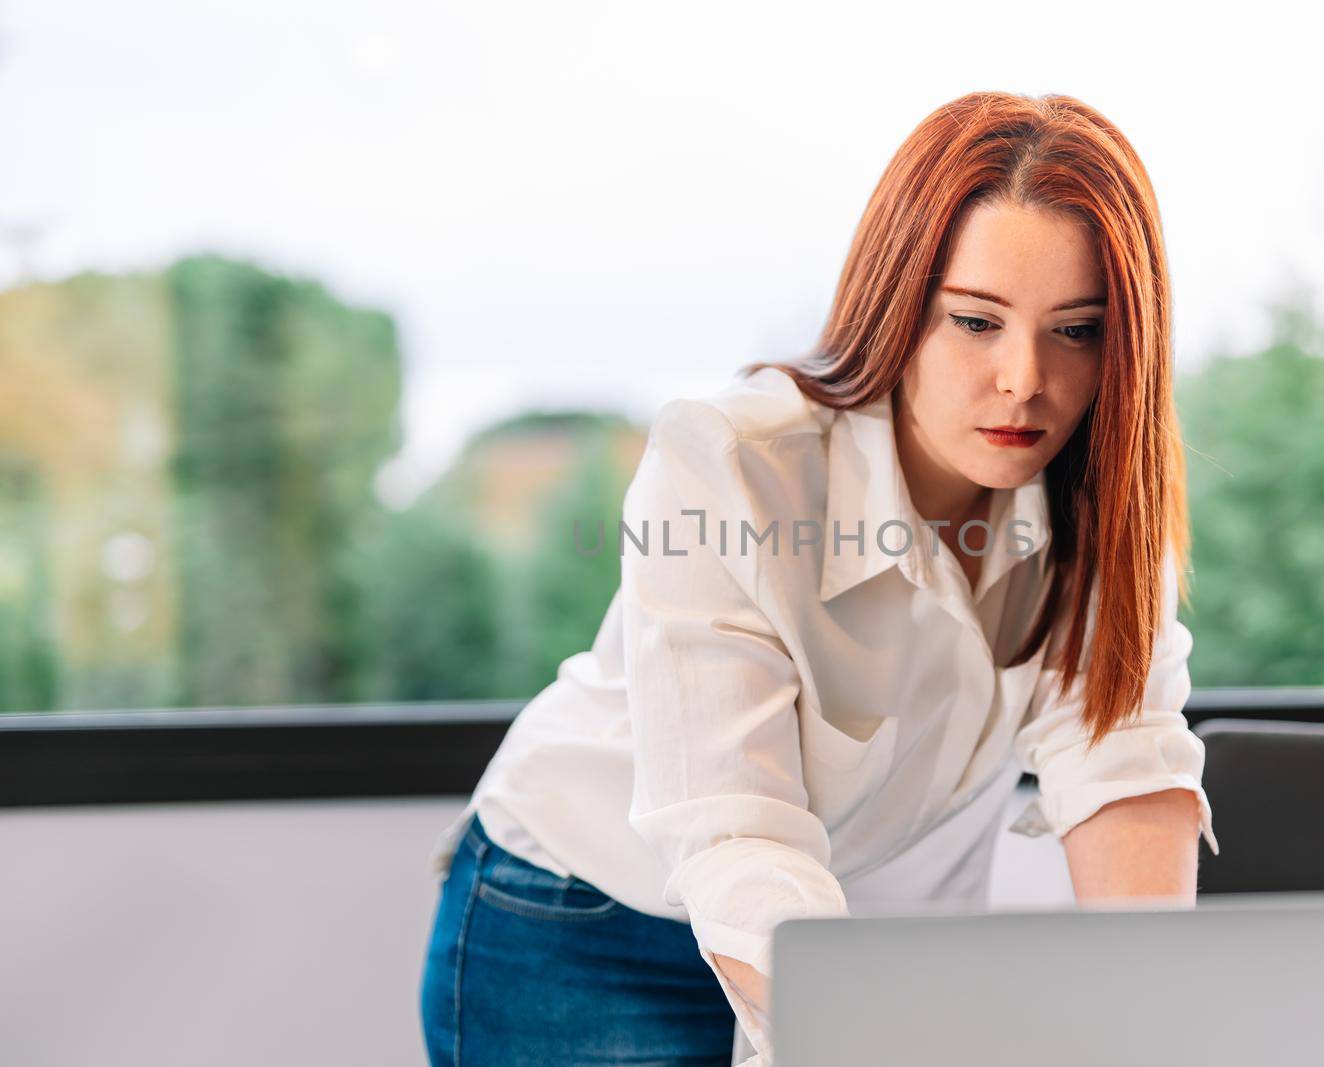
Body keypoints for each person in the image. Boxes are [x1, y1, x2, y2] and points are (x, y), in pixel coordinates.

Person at [418, 89, 1219, 1067]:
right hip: (591, 924)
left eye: (1077, 329)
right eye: (975, 321)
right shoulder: (731, 462)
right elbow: (735, 838)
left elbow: (1122, 766)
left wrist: (1159, 1025)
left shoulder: (1101, 503)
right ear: (898, 303)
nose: (1025, 378)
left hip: (852, 940)